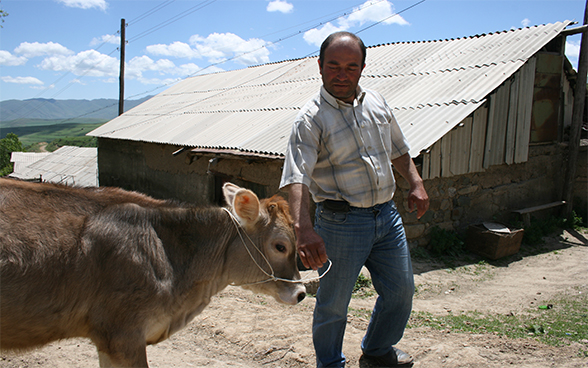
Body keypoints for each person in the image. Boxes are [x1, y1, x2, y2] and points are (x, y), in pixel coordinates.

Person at [279, 31, 429, 368]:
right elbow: (296, 177)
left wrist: (416, 184)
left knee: (400, 292)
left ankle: (377, 351)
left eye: (351, 67)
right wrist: (303, 230)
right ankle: (330, 363)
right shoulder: (310, 119)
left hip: (387, 218)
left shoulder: (376, 101)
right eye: (333, 66)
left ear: (362, 68)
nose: (342, 74)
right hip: (340, 224)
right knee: (333, 303)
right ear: (319, 66)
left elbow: (399, 150)